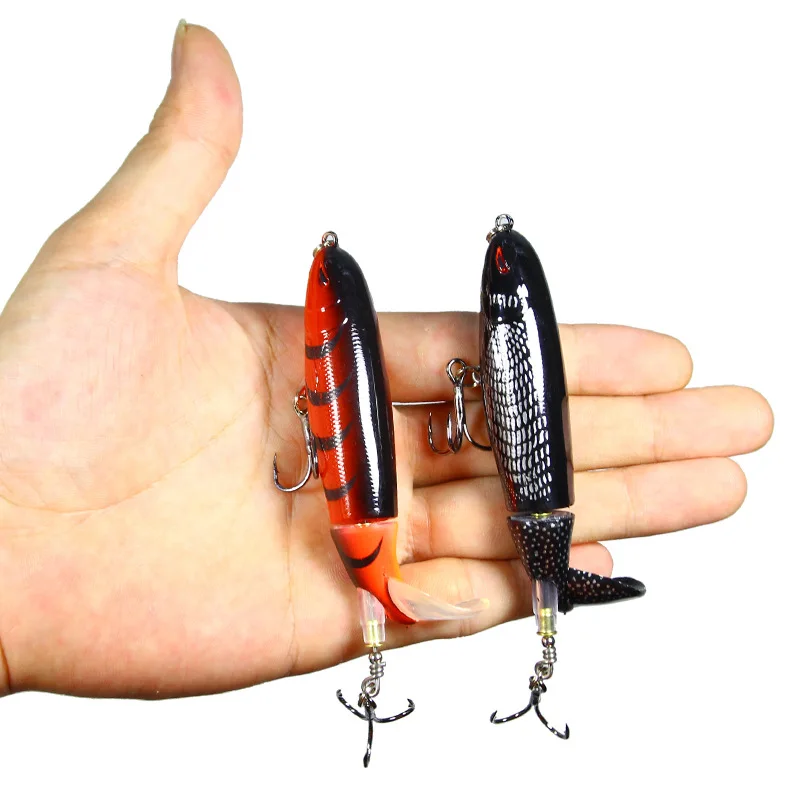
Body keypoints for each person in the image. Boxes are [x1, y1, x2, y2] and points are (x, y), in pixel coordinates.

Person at [0, 23, 773, 699]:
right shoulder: (354, 306)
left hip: (479, 508)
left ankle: (547, 592)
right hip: (377, 522)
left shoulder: (486, 304)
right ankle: (533, 603)